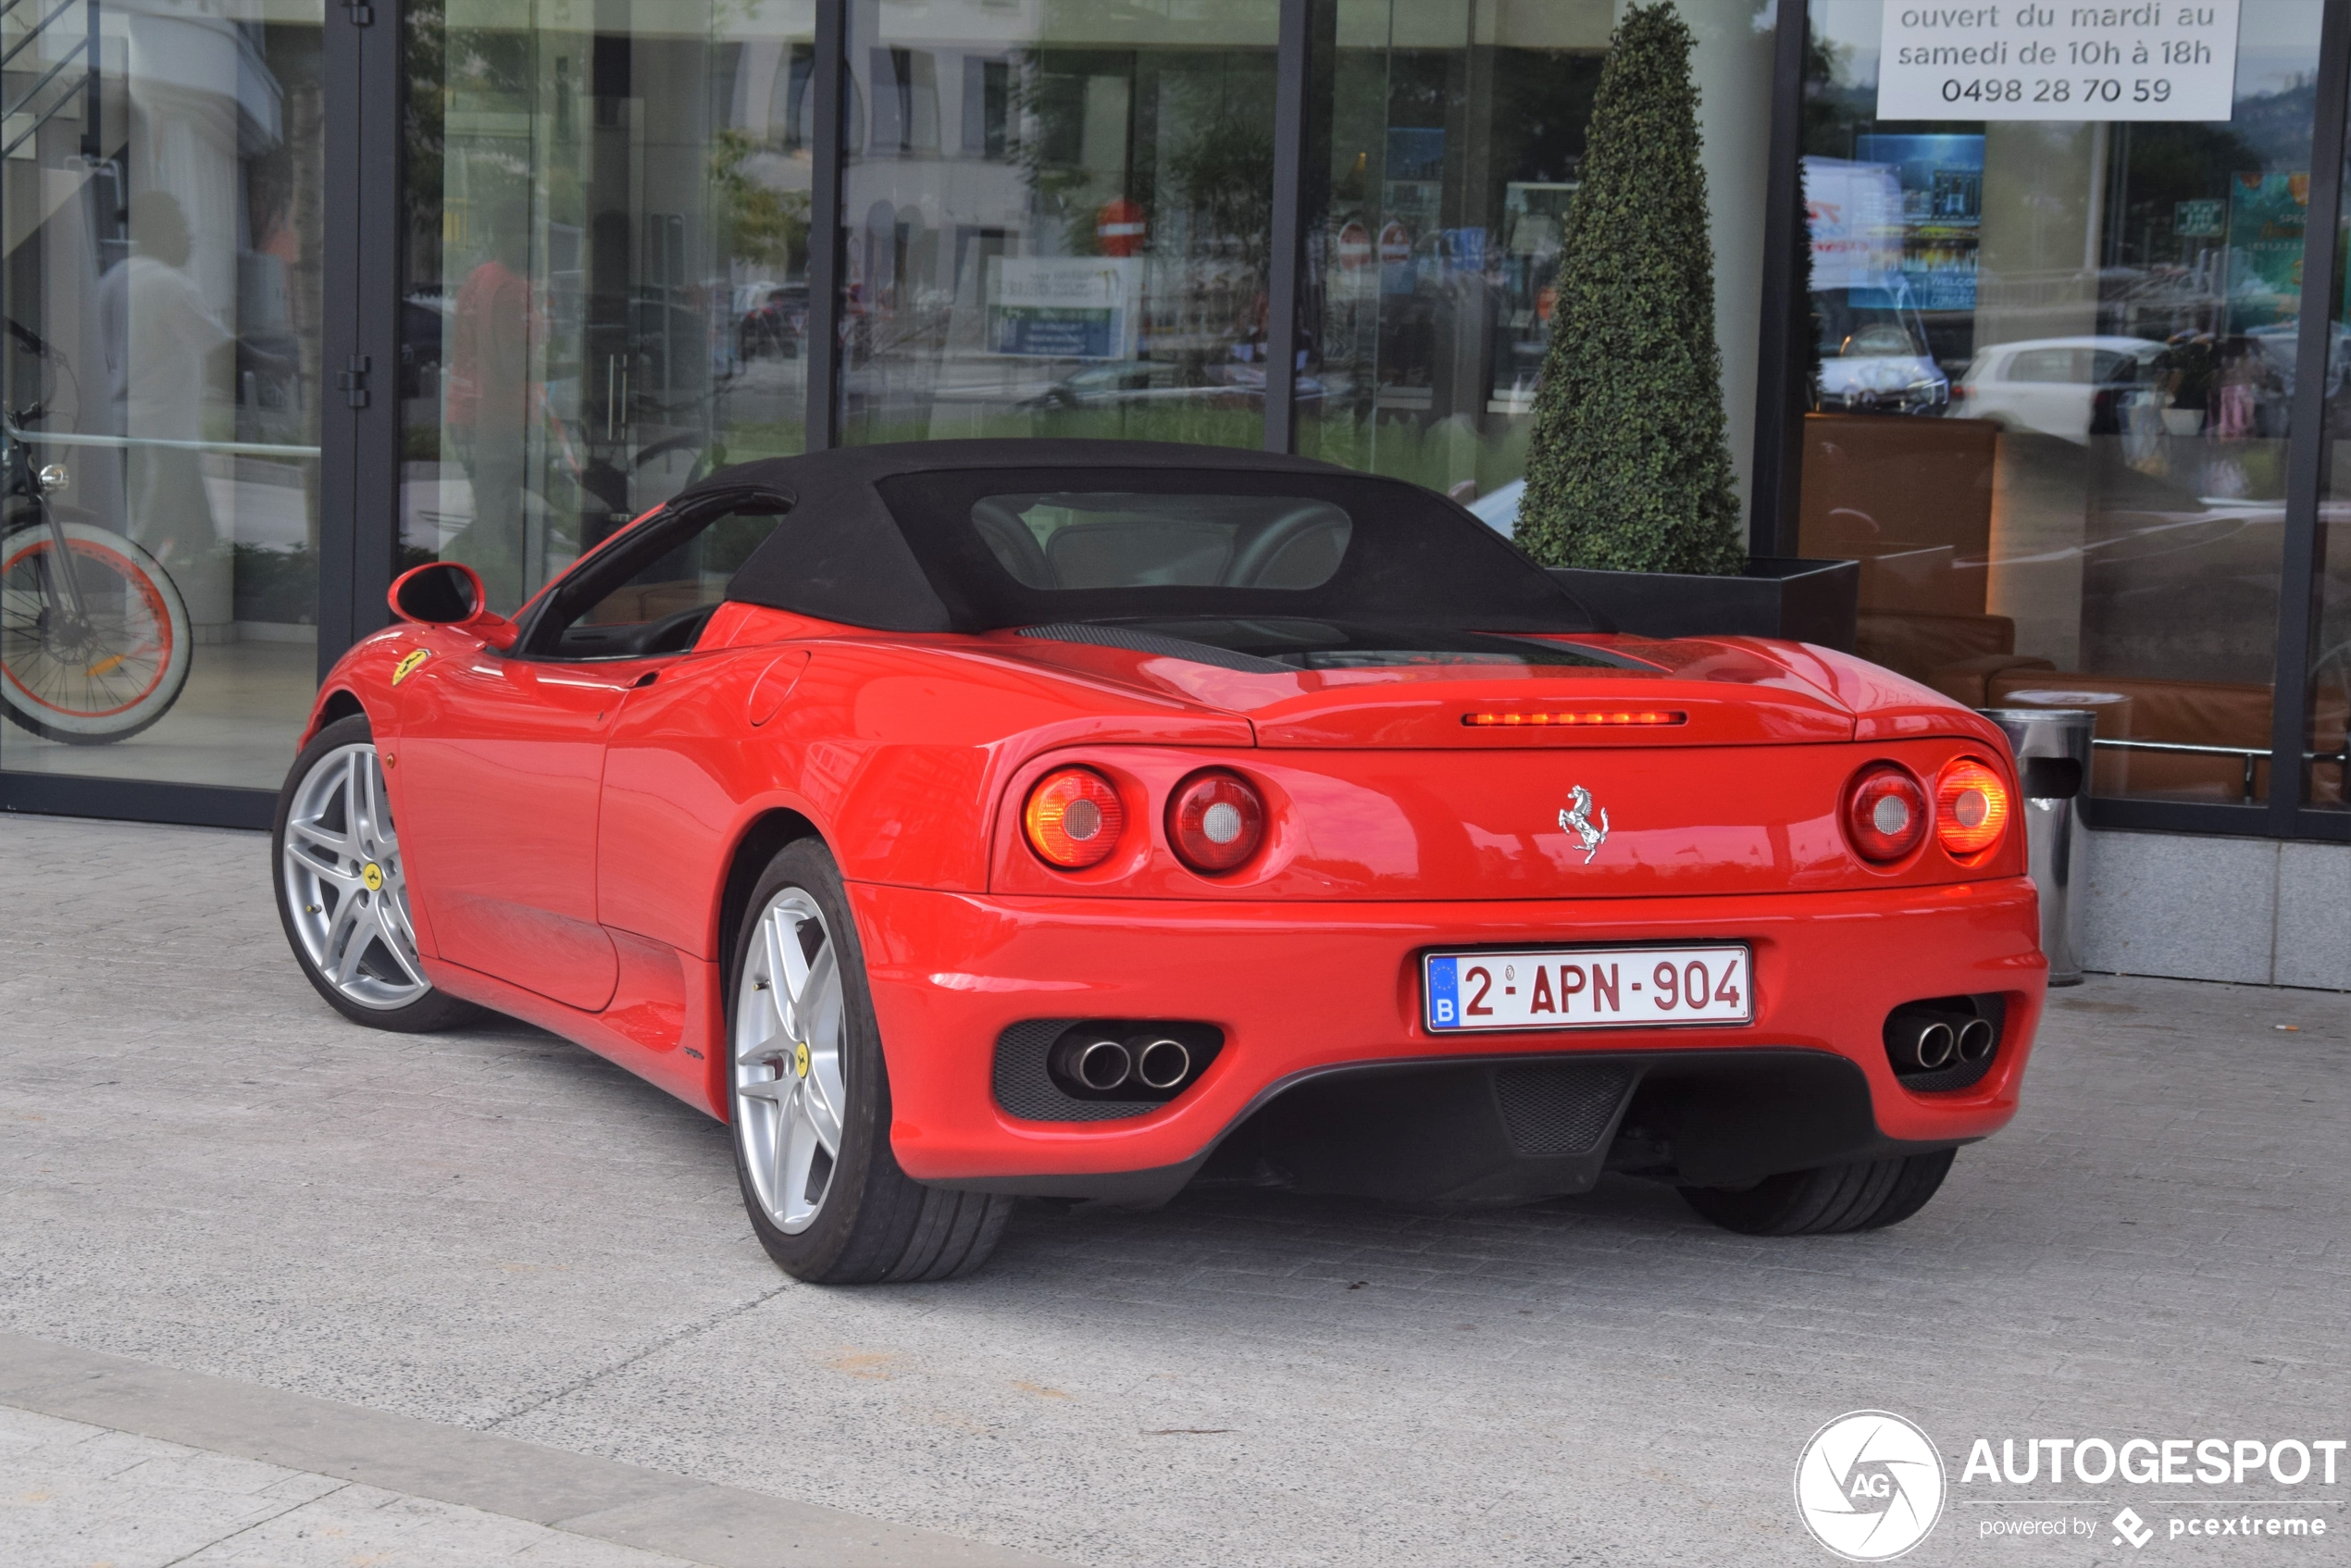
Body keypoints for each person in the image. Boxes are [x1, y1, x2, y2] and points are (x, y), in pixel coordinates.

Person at [97, 190, 233, 625]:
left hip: (134, 427)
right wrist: (296, 368)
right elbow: (221, 349)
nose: (189, 239)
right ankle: (130, 615)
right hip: (161, 434)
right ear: (157, 232)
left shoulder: (116, 277)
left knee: (192, 532)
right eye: (181, 228)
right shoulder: (167, 284)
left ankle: (175, 614)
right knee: (158, 532)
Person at [444, 213, 536, 609]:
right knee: (504, 519)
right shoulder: (513, 289)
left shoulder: (479, 278)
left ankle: (470, 588)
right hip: (500, 416)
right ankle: (495, 600)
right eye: (526, 235)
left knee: (491, 509)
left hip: (465, 411)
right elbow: (511, 364)